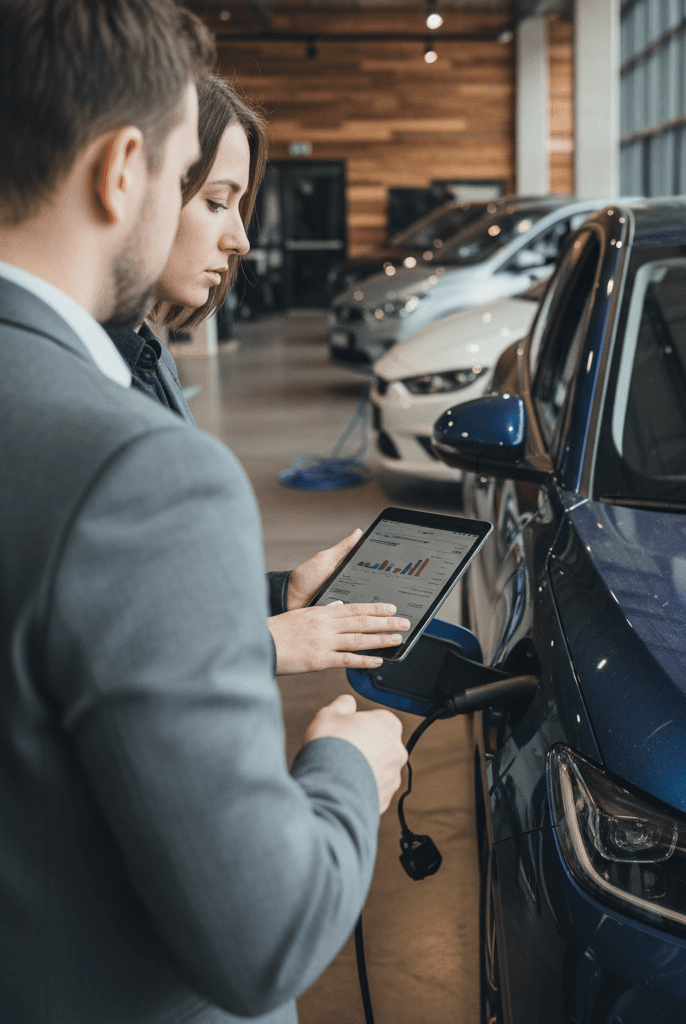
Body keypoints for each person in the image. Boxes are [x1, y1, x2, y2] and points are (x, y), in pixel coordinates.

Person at [0, 3, 407, 1022]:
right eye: (191, 174)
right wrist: (345, 769)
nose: (226, 226)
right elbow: (264, 935)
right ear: (122, 169)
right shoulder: (137, 471)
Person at [105, 71, 409, 676]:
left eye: (240, 207)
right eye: (217, 202)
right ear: (129, 181)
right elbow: (99, 658)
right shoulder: (81, 392)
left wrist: (280, 596)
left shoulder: (146, 354)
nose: (240, 238)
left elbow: (156, 604)